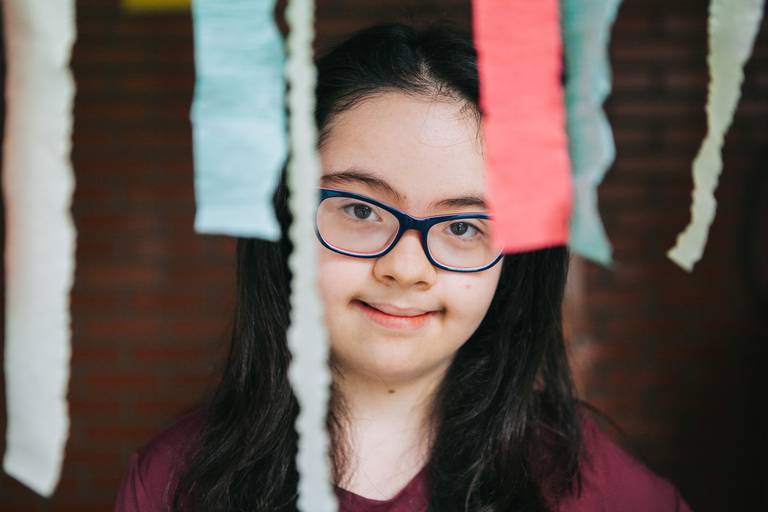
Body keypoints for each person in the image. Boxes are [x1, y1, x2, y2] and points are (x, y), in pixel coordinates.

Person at [115, 23, 692, 512]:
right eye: (361, 210)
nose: (407, 267)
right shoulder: (171, 484)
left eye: (463, 227)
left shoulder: (591, 486)